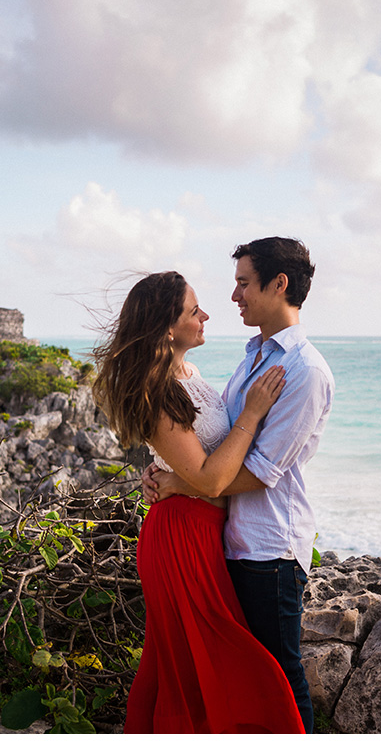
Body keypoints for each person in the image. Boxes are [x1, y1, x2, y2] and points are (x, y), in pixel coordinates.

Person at [91, 271, 303, 734]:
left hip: (205, 530)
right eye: (194, 311)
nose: (206, 315)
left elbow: (197, 472)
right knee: (207, 660)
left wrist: (175, 481)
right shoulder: (155, 388)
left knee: (191, 663)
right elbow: (209, 477)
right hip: (181, 539)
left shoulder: (189, 373)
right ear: (169, 327)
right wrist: (251, 412)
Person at [143, 237, 333, 734]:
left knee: (278, 674)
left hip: (269, 545)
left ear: (279, 284)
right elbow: (216, 442)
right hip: (228, 541)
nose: (234, 298)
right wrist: (176, 472)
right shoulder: (252, 359)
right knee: (238, 677)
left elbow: (263, 469)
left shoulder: (304, 370)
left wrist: (184, 486)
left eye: (243, 284)